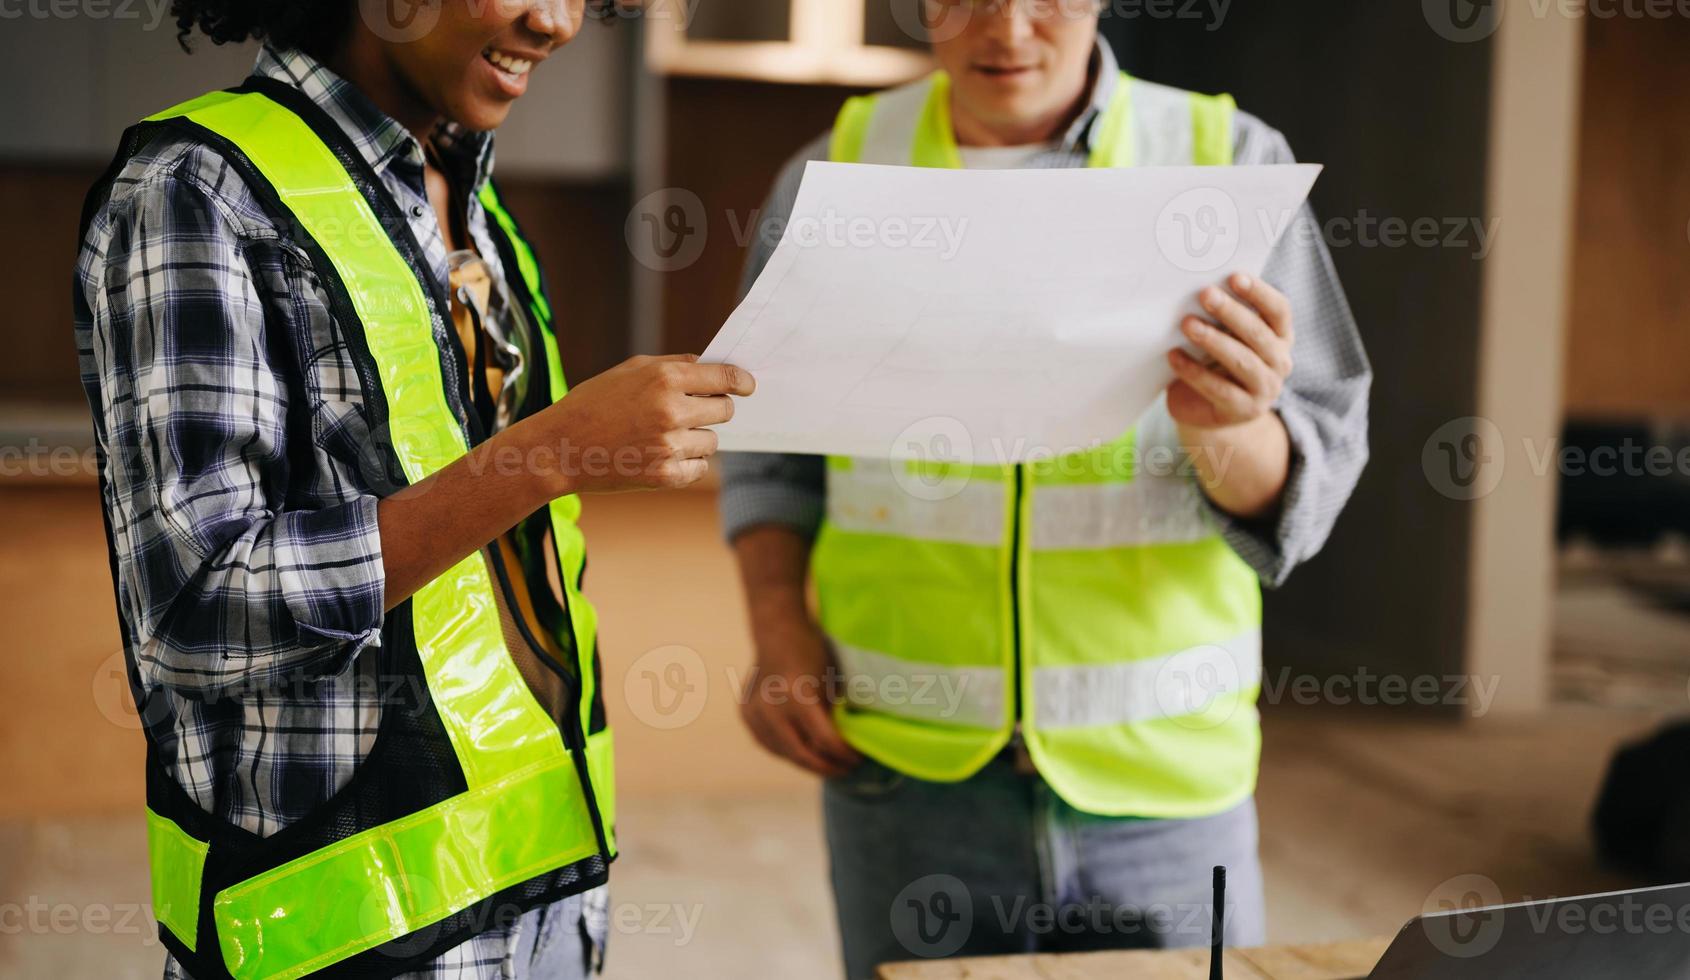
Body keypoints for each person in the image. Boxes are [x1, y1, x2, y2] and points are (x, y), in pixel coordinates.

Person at [73, 2, 752, 977]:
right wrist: (549, 450)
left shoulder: (475, 205)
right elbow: (197, 609)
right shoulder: (196, 189)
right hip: (338, 931)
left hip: (543, 886)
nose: (556, 20)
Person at [722, 1, 1371, 976]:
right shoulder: (838, 176)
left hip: (1163, 784)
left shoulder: (1225, 161)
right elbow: (769, 448)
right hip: (905, 766)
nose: (1009, 28)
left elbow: (1314, 461)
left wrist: (1228, 429)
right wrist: (777, 622)